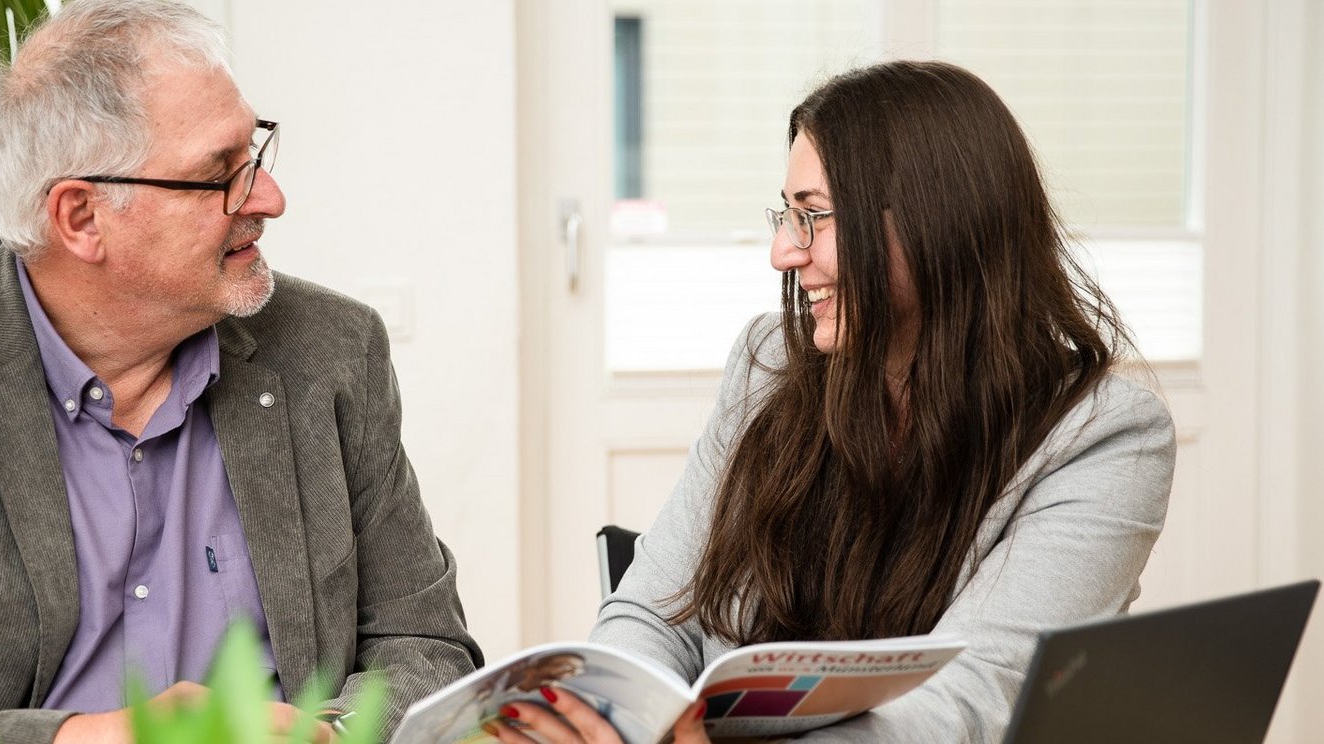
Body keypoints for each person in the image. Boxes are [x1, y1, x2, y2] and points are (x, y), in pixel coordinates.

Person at [0, 1, 481, 742]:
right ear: (82, 217)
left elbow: (426, 644)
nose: (269, 197)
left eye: (253, 151)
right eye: (218, 175)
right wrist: (92, 738)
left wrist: (334, 733)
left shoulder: (329, 350)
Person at [489, 60, 1175, 743]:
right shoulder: (770, 363)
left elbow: (965, 707)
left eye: (812, 216)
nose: (783, 252)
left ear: (934, 220)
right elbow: (653, 610)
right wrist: (617, 722)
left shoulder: (1105, 436)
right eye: (786, 216)